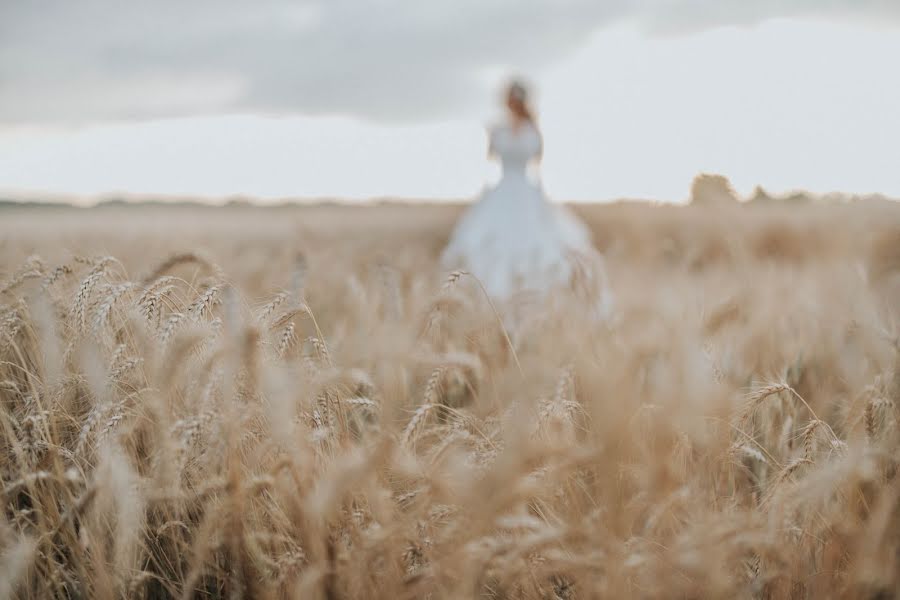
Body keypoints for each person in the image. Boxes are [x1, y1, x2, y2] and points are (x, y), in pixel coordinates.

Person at [441, 80, 612, 315]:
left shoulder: (533, 131)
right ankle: (494, 304)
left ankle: (531, 303)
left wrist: (542, 201)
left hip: (525, 192)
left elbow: (537, 165)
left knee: (535, 244)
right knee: (494, 244)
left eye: (513, 100)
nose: (510, 104)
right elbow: (491, 158)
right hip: (503, 191)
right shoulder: (497, 129)